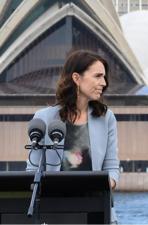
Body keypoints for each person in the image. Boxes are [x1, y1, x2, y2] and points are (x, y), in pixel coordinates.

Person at [26, 50, 120, 221]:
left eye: (104, 77)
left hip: (97, 211)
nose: (104, 83)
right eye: (98, 76)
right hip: (54, 212)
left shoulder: (107, 118)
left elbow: (112, 168)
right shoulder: (44, 118)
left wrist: (105, 184)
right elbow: (32, 170)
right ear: (76, 78)